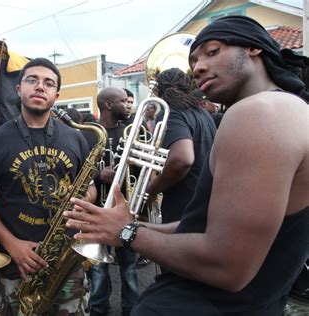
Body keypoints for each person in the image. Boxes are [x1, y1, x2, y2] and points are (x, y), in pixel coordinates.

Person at [64, 16, 309, 315]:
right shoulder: (283, 108)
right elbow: (208, 226)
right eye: (193, 61)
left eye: (212, 51)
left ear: (254, 49)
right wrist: (132, 225)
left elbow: (227, 266)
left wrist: (128, 233)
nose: (198, 67)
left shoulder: (260, 112)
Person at [0, 57, 94, 315]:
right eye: (32, 80)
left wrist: (83, 203)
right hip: (17, 259)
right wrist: (12, 244)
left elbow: (90, 187)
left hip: (66, 255)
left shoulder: (76, 138)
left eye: (48, 83)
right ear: (19, 89)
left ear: (56, 94)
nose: (40, 86)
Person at [81, 86, 140, 316]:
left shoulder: (130, 132)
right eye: (123, 101)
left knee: (130, 268)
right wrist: (98, 174)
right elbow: (77, 169)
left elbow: (138, 171)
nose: (128, 105)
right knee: (98, 267)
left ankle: (132, 308)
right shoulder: (88, 134)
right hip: (97, 211)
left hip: (125, 211)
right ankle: (98, 307)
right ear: (107, 104)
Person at [149, 68, 216, 224]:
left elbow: (182, 159)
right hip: (205, 198)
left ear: (158, 90)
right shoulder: (202, 112)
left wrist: (151, 191)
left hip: (183, 203)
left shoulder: (169, 113)